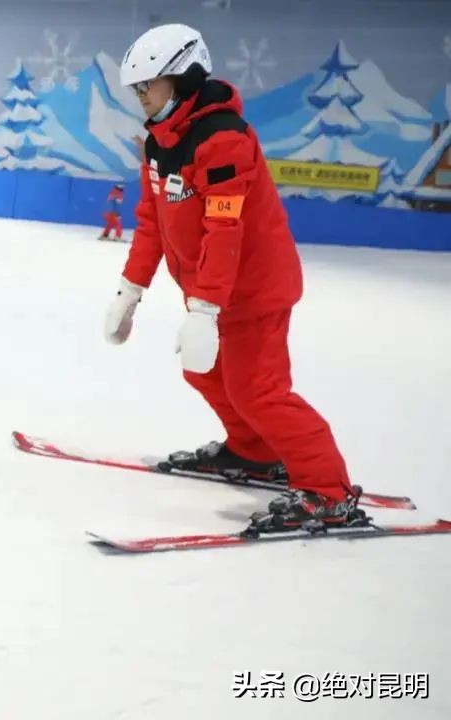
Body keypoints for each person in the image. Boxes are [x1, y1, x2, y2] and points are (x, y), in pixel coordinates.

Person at [102, 23, 361, 530]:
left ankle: (329, 490)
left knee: (259, 390)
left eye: (148, 85)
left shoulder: (223, 139)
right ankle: (253, 451)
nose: (141, 96)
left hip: (254, 289)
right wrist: (129, 291)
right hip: (212, 289)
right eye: (136, 88)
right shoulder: (158, 144)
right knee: (204, 373)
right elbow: (153, 222)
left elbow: (226, 227)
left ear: (182, 79)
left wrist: (204, 309)